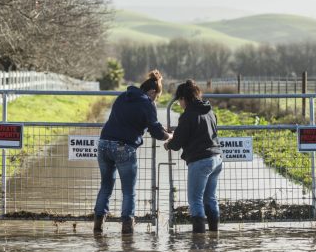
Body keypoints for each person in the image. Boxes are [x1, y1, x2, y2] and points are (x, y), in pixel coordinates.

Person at [94, 70, 172, 234]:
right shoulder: (147, 103)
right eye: (156, 97)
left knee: (106, 186)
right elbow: (156, 132)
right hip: (124, 147)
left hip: (103, 143)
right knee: (128, 191)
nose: (155, 100)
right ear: (152, 92)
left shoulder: (123, 96)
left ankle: (98, 225)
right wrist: (169, 135)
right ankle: (127, 230)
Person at [164, 80, 223, 233]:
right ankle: (213, 235)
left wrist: (168, 143)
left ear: (184, 98)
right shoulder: (209, 111)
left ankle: (199, 243)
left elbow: (177, 144)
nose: (179, 104)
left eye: (179, 101)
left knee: (195, 200)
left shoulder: (187, 116)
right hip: (216, 158)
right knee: (210, 198)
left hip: (200, 161)